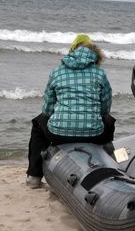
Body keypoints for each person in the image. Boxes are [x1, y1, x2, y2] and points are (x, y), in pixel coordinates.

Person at [26, 34, 115, 188]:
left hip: (58, 134)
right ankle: (108, 159)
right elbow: (105, 107)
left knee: (38, 123)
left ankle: (34, 176)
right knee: (108, 121)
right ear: (95, 55)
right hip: (94, 135)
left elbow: (47, 109)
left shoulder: (57, 72)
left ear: (71, 51)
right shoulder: (100, 74)